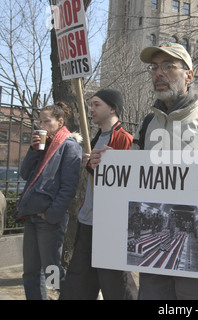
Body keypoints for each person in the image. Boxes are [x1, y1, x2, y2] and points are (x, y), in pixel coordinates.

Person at [133, 41, 198, 300]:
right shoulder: (147, 125)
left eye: (169, 66)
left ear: (189, 76)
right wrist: (104, 163)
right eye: (154, 67)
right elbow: (129, 181)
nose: (159, 73)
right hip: (152, 266)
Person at [59, 89, 138, 300]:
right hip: (88, 221)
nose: (91, 109)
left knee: (116, 285)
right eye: (90, 104)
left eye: (96, 104)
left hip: (109, 225)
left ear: (112, 108)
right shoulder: (94, 138)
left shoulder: (125, 139)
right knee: (78, 282)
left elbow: (129, 182)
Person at [15, 102, 82, 300]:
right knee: (30, 271)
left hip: (49, 219)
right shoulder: (42, 145)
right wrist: (33, 150)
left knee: (52, 271)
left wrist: (52, 214)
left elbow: (69, 188)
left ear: (59, 122)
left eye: (46, 121)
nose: (41, 125)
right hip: (31, 215)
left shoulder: (69, 146)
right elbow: (24, 174)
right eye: (40, 121)